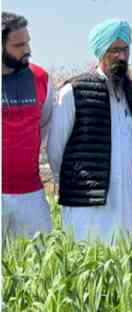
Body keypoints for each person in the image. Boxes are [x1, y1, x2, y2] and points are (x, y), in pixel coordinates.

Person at [47, 19, 132, 243]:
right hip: (86, 203)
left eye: (125, 50)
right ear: (101, 51)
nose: (121, 57)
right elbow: (56, 149)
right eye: (114, 51)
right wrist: (76, 184)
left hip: (125, 199)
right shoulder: (73, 91)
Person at [2, 11, 54, 239]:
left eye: (27, 42)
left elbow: (45, 127)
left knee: (40, 266)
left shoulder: (41, 78)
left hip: (31, 194)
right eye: (18, 45)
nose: (27, 50)